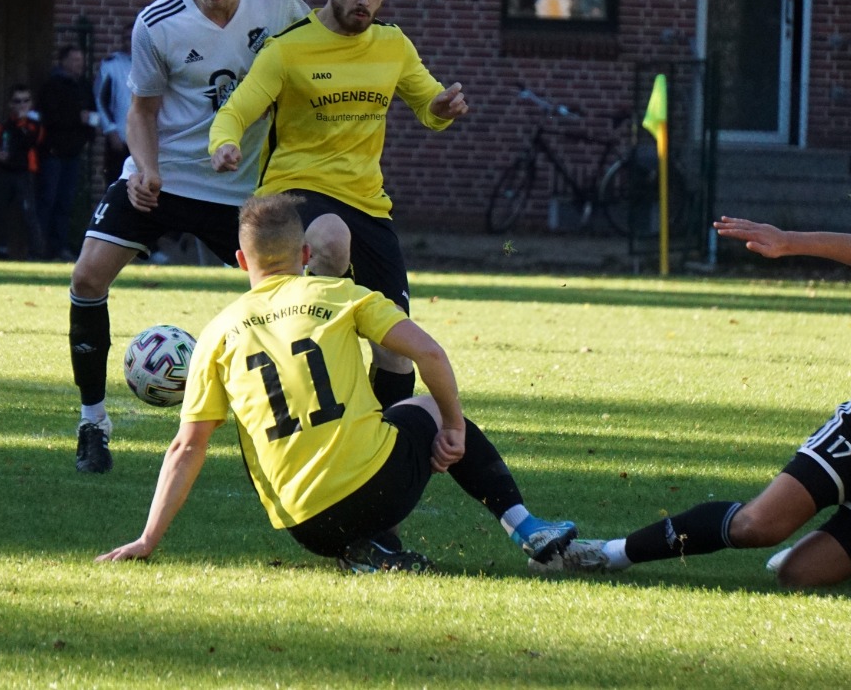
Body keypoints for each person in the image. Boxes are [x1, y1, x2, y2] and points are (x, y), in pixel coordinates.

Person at [536, 216, 851, 612]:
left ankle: (818, 543)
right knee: (757, 527)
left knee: (798, 577)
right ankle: (610, 553)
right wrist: (786, 241)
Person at [95, 193, 576, 573]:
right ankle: (525, 526)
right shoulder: (341, 293)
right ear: (305, 253)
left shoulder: (217, 334)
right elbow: (430, 353)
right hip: (380, 490)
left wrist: (147, 539)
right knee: (427, 408)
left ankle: (368, 552)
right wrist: (452, 426)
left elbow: (187, 446)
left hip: (307, 526)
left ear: (241, 260)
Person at [66, 0, 308, 474]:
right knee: (87, 277)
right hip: (167, 177)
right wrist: (145, 169)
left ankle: (293, 423)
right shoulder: (159, 21)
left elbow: (309, 65)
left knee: (290, 299)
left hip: (241, 187)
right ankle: (92, 423)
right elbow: (141, 111)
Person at [208, 0, 470, 411]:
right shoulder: (287, 49)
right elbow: (235, 111)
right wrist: (223, 143)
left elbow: (428, 103)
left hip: (367, 203)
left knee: (397, 351)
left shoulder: (392, 45)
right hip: (293, 192)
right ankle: (308, 346)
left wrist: (441, 108)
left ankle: (381, 438)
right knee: (330, 236)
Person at [36, 45, 97, 261]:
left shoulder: (84, 86)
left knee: (65, 202)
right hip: (53, 151)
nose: (79, 65)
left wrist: (88, 133)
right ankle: (39, 247)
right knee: (47, 200)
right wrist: (77, 118)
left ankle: (59, 247)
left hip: (73, 152)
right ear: (63, 62)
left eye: (81, 60)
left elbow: (92, 112)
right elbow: (50, 116)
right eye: (74, 60)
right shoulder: (52, 86)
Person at [0, 84, 45, 260]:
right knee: (0, 210)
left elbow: (31, 142)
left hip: (25, 173)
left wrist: (21, 122)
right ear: (10, 104)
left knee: (29, 213)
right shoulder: (4, 127)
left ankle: (36, 252)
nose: (22, 105)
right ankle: (1, 249)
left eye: (25, 101)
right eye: (17, 101)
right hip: (5, 172)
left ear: (31, 103)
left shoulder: (35, 125)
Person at [94, 34, 133, 186]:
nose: (130, 42)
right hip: (120, 135)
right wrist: (110, 129)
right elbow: (100, 98)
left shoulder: (151, 62)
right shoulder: (111, 65)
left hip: (146, 135)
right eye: (127, 38)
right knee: (115, 180)